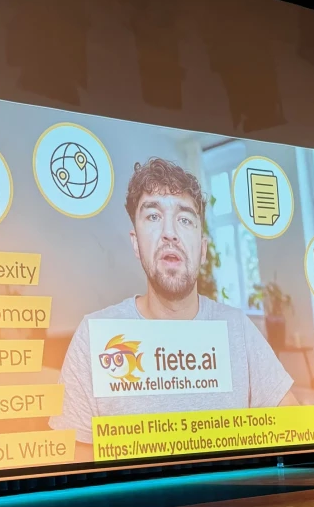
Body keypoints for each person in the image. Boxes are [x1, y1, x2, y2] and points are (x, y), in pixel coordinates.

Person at [50, 158, 297, 449]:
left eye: (185, 220)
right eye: (153, 216)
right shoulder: (94, 336)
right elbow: (71, 468)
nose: (170, 233)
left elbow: (295, 433)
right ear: (135, 243)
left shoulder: (237, 330)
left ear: (203, 250)